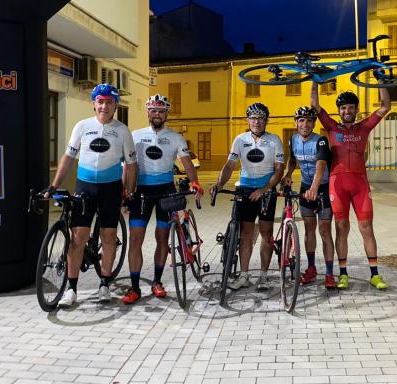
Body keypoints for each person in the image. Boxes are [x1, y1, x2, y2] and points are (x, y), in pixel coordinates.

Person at [48, 83, 137, 307]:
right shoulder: (82, 126)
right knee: (78, 237)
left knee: (108, 236)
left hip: (111, 188)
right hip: (85, 186)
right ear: (94, 104)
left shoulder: (122, 130)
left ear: (115, 105)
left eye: (109, 102)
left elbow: (131, 164)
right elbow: (68, 158)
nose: (104, 106)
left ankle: (104, 283)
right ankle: (71, 289)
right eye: (100, 102)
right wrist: (54, 185)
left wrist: (130, 191)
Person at [122, 94, 203, 303]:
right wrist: (125, 191)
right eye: (153, 110)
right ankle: (134, 287)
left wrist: (195, 183)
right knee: (135, 239)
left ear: (167, 114)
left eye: (161, 111)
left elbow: (187, 163)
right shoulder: (135, 135)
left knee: (162, 238)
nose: (157, 114)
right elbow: (128, 167)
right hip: (141, 192)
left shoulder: (175, 137)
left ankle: (157, 282)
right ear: (148, 112)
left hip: (166, 191)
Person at [311, 82, 391, 290]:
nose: (347, 111)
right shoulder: (332, 127)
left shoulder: (364, 126)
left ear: (356, 110)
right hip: (337, 184)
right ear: (339, 110)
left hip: (359, 184)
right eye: (343, 108)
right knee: (342, 227)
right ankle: (343, 274)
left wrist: (381, 82)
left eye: (350, 108)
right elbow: (314, 105)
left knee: (366, 227)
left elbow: (385, 106)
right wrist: (315, 81)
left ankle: (375, 275)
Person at [210, 103, 284, 291]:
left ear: (266, 121)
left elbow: (279, 169)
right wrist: (219, 184)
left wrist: (265, 189)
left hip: (266, 191)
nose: (257, 122)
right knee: (245, 234)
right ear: (248, 120)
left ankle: (264, 276)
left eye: (260, 118)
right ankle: (244, 275)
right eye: (253, 118)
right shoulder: (240, 140)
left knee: (266, 233)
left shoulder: (274, 140)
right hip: (245, 189)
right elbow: (229, 165)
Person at [282, 106, 336, 289]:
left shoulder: (320, 141)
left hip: (323, 188)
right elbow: (292, 159)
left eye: (309, 121)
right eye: (301, 120)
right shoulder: (293, 139)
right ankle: (311, 268)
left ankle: (329, 273)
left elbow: (321, 164)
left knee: (325, 230)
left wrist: (314, 188)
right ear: (296, 123)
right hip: (306, 187)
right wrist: (288, 174)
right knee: (308, 228)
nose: (305, 124)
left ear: (313, 124)